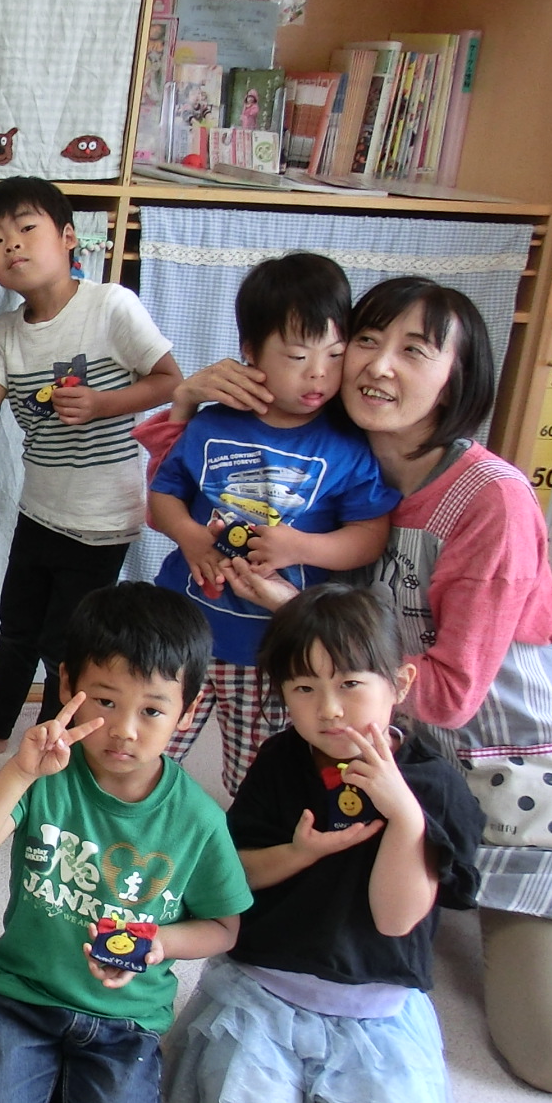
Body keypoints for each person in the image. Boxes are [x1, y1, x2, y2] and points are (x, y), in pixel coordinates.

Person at [153, 277, 552, 1094]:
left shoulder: (492, 498)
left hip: (518, 769)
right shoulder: (347, 456)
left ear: (458, 376)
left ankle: (548, 908)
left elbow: (449, 695)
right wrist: (191, 395)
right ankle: (423, 867)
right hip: (383, 755)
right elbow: (186, 465)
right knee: (311, 904)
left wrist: (301, 612)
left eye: (414, 350)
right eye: (366, 342)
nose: (377, 366)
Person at [167, 584, 484, 1103]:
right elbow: (234, 876)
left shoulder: (436, 787)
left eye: (350, 684)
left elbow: (395, 920)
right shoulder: (281, 759)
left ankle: (331, 1101)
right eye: (304, 688)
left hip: (374, 1012)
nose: (329, 709)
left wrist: (405, 816)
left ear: (400, 682)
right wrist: (300, 852)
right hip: (267, 990)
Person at [0, 582, 250, 1103]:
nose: (125, 731)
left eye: (153, 710)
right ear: (66, 685)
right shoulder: (47, 775)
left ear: (189, 710)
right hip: (25, 996)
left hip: (126, 1021)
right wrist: (19, 771)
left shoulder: (198, 820)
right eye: (105, 701)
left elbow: (224, 927)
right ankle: (41, 1076)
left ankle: (75, 1087)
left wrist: (159, 943)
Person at [149, 252, 399, 792]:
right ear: (249, 352)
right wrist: (189, 536)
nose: (318, 373)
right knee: (146, 751)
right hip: (183, 629)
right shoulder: (212, 423)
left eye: (336, 355)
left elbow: (369, 536)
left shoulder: (349, 444)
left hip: (272, 647)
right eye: (297, 356)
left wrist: (300, 548)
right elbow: (163, 495)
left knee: (256, 777)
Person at [0, 178, 181, 753]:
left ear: (69, 237)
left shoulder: (110, 305)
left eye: (27, 228)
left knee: (66, 642)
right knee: (16, 624)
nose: (13, 245)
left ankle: (54, 736)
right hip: (39, 508)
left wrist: (103, 403)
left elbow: (171, 381)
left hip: (102, 519)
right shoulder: (7, 329)